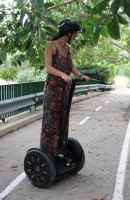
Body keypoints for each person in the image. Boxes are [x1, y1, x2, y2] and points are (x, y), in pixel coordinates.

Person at [40, 19, 89, 161]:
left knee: (63, 118)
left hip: (65, 89)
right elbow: (48, 67)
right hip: (53, 89)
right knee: (51, 121)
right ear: (68, 33)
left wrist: (80, 75)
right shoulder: (51, 45)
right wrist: (62, 74)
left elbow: (71, 66)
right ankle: (48, 152)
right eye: (75, 33)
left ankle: (60, 148)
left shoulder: (67, 47)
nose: (76, 36)